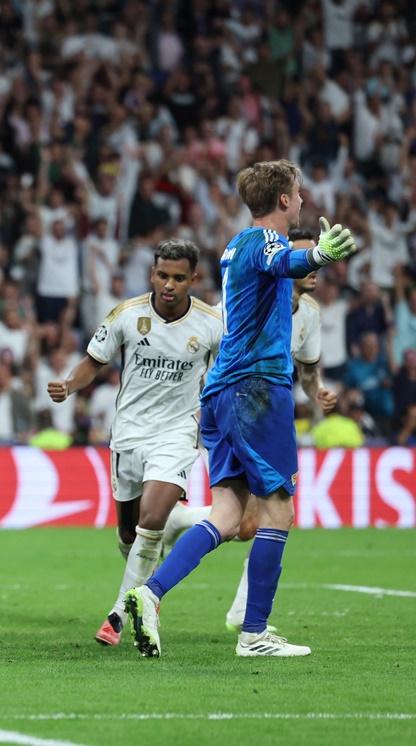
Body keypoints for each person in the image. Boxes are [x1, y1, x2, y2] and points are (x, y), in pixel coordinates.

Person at [125, 159, 357, 658]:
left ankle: (148, 592)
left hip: (223, 391)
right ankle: (254, 633)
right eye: (298, 192)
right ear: (283, 200)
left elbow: (279, 269)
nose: (302, 199)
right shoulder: (266, 242)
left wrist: (310, 257)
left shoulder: (237, 244)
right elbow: (286, 263)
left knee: (229, 515)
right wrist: (318, 254)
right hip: (256, 389)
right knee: (278, 510)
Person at [48, 239, 223, 648]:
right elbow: (95, 360)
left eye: (179, 278)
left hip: (178, 433)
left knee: (150, 518)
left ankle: (118, 615)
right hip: (128, 433)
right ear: (152, 274)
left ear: (194, 279)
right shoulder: (127, 315)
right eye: (163, 275)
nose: (169, 285)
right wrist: (69, 385)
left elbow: (222, 376)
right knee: (129, 533)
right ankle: (180, 521)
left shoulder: (212, 324)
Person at [223, 229, 338, 633]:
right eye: (308, 258)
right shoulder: (253, 299)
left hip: (270, 414)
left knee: (249, 525)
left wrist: (317, 391)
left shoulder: (309, 313)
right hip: (237, 409)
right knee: (272, 515)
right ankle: (244, 615)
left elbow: (307, 371)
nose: (315, 268)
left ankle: (176, 524)